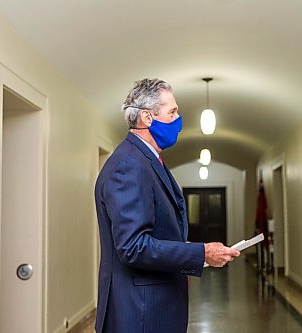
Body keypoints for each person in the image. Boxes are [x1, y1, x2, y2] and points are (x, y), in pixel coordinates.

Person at [94, 78, 240, 333]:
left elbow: (157, 233)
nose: (178, 119)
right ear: (148, 118)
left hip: (152, 307)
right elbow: (133, 246)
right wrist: (200, 253)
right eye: (172, 112)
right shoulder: (128, 165)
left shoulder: (146, 161)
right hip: (141, 313)